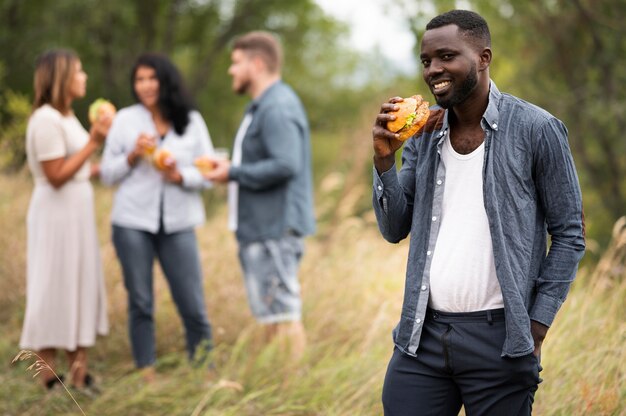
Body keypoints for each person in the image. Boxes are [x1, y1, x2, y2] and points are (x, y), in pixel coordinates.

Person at [371, 10, 585, 415]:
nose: (434, 70)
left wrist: (535, 327)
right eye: (426, 61)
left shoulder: (537, 129)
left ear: (483, 58)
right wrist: (384, 162)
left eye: (447, 56)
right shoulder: (423, 135)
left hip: (500, 341)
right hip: (423, 337)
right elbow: (394, 228)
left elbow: (570, 234)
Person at [100, 53, 214, 382]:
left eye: (152, 78)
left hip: (178, 224)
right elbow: (107, 174)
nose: (146, 85)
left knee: (193, 304)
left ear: (165, 81)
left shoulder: (190, 120)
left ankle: (204, 374)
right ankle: (146, 375)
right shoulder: (125, 120)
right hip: (132, 222)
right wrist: (133, 155)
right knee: (140, 301)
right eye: (139, 80)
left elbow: (209, 172)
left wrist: (182, 176)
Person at [204, 31, 315, 359]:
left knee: (283, 315)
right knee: (272, 316)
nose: (230, 71)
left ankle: (295, 395)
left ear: (256, 63)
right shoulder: (263, 105)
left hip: (274, 227)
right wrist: (230, 167)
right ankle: (276, 389)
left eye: (236, 63)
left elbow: (285, 164)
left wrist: (232, 172)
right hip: (263, 227)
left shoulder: (277, 106)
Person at [20, 49, 111, 391]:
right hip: (55, 219)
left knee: (78, 286)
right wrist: (94, 142)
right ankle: (49, 377)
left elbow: (75, 169)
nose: (84, 77)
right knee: (53, 287)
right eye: (79, 71)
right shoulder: (45, 119)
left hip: (76, 218)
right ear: (61, 78)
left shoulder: (68, 116)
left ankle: (79, 374)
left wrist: (108, 165)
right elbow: (56, 174)